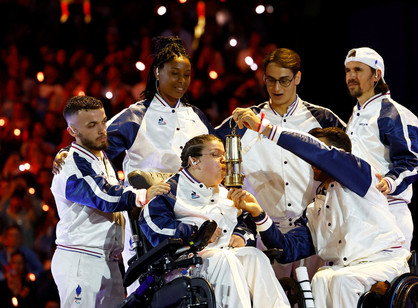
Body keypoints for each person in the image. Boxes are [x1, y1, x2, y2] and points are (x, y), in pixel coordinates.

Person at [52, 36, 216, 294]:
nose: (182, 81)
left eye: (187, 75)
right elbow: (93, 142)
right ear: (157, 72)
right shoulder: (135, 116)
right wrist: (64, 152)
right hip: (147, 223)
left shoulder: (196, 116)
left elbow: (216, 157)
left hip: (195, 214)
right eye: (175, 73)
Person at [229, 114, 410, 307]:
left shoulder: (360, 174)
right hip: (346, 269)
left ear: (339, 154)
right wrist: (258, 213)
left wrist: (264, 128)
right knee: (321, 278)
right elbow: (286, 249)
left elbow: (317, 153)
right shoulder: (315, 208)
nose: (311, 162)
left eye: (318, 155)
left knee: (341, 280)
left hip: (383, 262)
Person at [216, 47, 346, 279]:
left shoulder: (323, 118)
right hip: (262, 232)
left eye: (284, 81)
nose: (277, 88)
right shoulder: (242, 121)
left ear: (297, 77)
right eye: (271, 80)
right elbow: (204, 155)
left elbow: (348, 164)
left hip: (313, 231)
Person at [139, 134, 290, 308]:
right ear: (194, 161)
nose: (224, 160)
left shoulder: (227, 193)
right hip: (183, 264)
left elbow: (245, 225)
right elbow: (154, 227)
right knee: (225, 259)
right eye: (216, 154)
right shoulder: (170, 190)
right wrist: (198, 232)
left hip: (223, 257)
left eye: (224, 154)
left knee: (254, 256)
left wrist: (241, 235)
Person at [50, 96, 155, 307]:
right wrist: (142, 195)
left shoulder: (99, 156)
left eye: (103, 121)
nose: (102, 129)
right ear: (73, 131)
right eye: (92, 125)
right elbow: (102, 196)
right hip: (80, 258)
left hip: (107, 260)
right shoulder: (70, 165)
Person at [344, 47, 418, 250]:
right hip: (359, 213)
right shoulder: (355, 114)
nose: (351, 76)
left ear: (376, 75)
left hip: (389, 211)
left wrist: (389, 181)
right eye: (348, 70)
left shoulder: (394, 113)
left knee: (387, 281)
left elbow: (412, 161)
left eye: (358, 70)